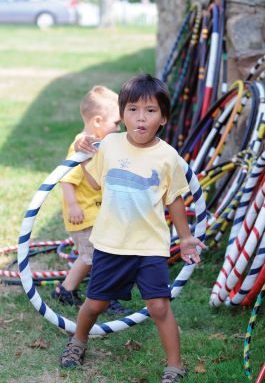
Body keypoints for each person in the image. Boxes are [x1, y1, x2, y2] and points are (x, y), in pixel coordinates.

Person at [60, 74, 206, 383]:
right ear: (122, 113)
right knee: (95, 303)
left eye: (150, 111)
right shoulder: (110, 144)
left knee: (158, 306)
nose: (141, 117)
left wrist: (186, 237)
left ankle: (174, 365)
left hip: (149, 246)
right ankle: (78, 341)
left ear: (163, 118)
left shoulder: (167, 156)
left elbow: (175, 198)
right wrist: (85, 158)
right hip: (111, 243)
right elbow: (95, 182)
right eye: (133, 109)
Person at [52, 85, 132, 315]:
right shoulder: (82, 147)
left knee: (90, 258)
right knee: (97, 258)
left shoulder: (98, 145)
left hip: (96, 215)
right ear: (98, 121)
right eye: (116, 123)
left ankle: (65, 290)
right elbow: (66, 177)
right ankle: (104, 298)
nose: (119, 127)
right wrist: (73, 205)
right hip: (85, 216)